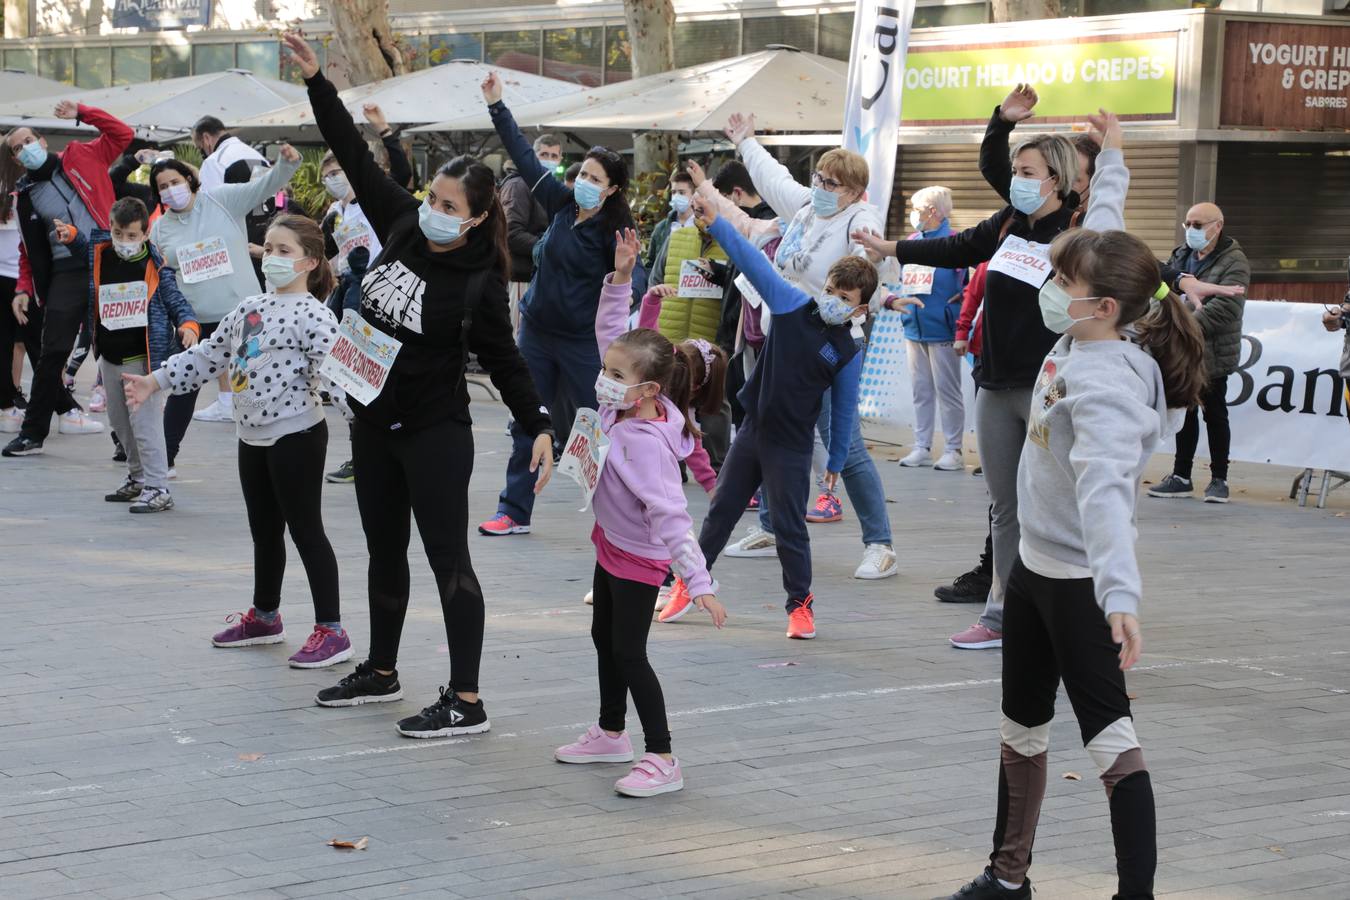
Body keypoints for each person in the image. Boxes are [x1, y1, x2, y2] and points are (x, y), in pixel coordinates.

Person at [283, 33, 554, 737]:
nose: (432, 206)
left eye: (447, 204)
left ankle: (466, 700)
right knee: (381, 548)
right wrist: (318, 80)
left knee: (447, 560)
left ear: (473, 219)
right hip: (372, 423)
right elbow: (346, 147)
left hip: (435, 434)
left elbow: (506, 360)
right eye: (431, 194)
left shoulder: (479, 284)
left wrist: (542, 425)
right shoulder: (401, 222)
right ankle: (381, 669)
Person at [944, 220, 1206, 900]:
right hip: (1032, 573)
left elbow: (1106, 496)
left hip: (1081, 591)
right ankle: (1008, 878)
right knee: (1021, 729)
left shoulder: (1109, 387)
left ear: (1106, 306)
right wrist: (1111, 157)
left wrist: (1119, 597)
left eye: (1065, 283)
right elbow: (1107, 239)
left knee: (1113, 747)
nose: (1052, 290)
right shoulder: (1080, 336)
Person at [853, 125, 1083, 650]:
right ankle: (1000, 616)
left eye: (1027, 174)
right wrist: (889, 246)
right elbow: (956, 248)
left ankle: (1068, 614)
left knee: (1054, 505)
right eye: (1017, 172)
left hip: (1050, 389)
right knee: (1005, 508)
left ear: (1056, 179)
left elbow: (1130, 269)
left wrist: (1175, 286)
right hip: (995, 383)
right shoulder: (1008, 223)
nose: (1018, 182)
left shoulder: (1078, 230)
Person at [124, 211, 352, 668]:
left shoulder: (315, 316)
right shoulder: (250, 308)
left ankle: (332, 630)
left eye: (284, 251)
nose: (272, 258)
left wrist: (372, 426)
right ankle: (265, 617)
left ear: (309, 262)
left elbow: (339, 378)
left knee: (307, 532)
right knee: (264, 531)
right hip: (251, 437)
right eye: (268, 248)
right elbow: (210, 355)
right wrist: (157, 380)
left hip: (297, 436)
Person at [555, 228, 726, 797]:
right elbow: (613, 332)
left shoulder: (648, 443)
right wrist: (624, 279)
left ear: (649, 388)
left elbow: (673, 517)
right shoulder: (620, 407)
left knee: (629, 651)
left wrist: (697, 582)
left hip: (640, 558)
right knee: (604, 638)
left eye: (617, 374)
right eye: (607, 368)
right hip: (610, 544)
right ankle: (610, 733)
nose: (604, 376)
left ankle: (662, 757)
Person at [664, 196, 874, 641]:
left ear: (860, 308)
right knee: (719, 513)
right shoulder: (792, 304)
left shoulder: (848, 350)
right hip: (752, 433)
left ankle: (800, 606)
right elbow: (751, 262)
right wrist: (718, 225)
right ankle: (690, 584)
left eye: (846, 298)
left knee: (789, 528)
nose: (834, 300)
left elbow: (845, 410)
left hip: (792, 446)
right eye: (832, 290)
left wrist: (835, 463)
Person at [722, 112, 899, 580]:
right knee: (775, 425)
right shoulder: (806, 208)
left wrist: (879, 281)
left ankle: (880, 543)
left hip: (834, 340)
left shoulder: (860, 219)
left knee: (845, 440)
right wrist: (747, 142)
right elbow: (772, 177)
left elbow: (865, 271)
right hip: (788, 334)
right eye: (820, 178)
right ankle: (773, 526)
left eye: (834, 184)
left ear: (855, 192)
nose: (823, 187)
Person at [478, 69, 643, 539]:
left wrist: (625, 270)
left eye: (595, 178)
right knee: (527, 416)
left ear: (611, 188)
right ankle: (514, 509)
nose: (585, 182)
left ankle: (623, 516)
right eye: (583, 174)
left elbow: (629, 284)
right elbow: (524, 157)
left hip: (582, 343)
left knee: (601, 425)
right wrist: (497, 105)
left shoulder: (615, 231)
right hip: (536, 331)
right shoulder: (562, 203)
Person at [149, 148, 301, 461]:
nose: (169, 190)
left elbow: (266, 185)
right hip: (193, 323)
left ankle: (276, 453)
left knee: (258, 385)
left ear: (190, 180)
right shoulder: (159, 229)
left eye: (174, 181)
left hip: (244, 317)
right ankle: (164, 459)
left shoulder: (223, 200)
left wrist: (287, 162)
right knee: (183, 388)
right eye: (162, 187)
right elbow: (157, 278)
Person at [1, 100, 130, 458]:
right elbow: (28, 250)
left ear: (42, 141)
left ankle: (126, 438)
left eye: (28, 141)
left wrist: (82, 112)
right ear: (14, 159)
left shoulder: (83, 156)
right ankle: (32, 434)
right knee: (52, 351)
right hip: (65, 273)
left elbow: (123, 134)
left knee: (118, 350)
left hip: (110, 262)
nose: (24, 149)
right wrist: (24, 288)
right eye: (16, 148)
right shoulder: (26, 195)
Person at [70, 199, 199, 512]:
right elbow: (83, 248)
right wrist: (72, 236)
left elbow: (176, 301)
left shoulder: (156, 267)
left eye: (131, 235)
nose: (123, 241)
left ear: (145, 233)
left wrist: (189, 325)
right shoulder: (101, 253)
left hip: (142, 361)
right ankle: (138, 478)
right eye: (118, 233)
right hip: (110, 358)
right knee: (120, 423)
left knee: (146, 426)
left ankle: (159, 487)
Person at [317, 106, 414, 485]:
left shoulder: (377, 201)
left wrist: (386, 132)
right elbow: (326, 250)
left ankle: (374, 448)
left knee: (362, 371)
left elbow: (404, 175)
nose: (332, 180)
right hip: (346, 291)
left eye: (337, 172)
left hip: (375, 293)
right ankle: (368, 444)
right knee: (341, 371)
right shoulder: (335, 211)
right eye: (326, 176)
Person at [1147, 202, 1249, 504]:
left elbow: (1227, 308)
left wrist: (1181, 327)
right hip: (1182, 352)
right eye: (1187, 224)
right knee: (1185, 412)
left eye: (1198, 225)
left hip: (1213, 353)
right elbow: (1163, 292)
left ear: (1217, 226)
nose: (1191, 230)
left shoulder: (1235, 261)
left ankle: (1219, 479)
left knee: (1215, 414)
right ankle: (1181, 476)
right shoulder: (1180, 255)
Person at [896, 186, 967, 471]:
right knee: (921, 390)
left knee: (948, 391)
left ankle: (954, 449)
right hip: (914, 327)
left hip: (943, 328)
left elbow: (978, 278)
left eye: (916, 209)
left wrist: (964, 294)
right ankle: (921, 446)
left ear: (933, 211)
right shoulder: (912, 240)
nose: (913, 215)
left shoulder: (956, 242)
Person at [500, 132, 561, 326]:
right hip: (521, 276)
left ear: (560, 159)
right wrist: (550, 246)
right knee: (519, 339)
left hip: (539, 276)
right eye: (544, 154)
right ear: (533, 157)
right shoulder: (519, 185)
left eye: (554, 156)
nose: (549, 160)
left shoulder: (549, 186)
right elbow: (511, 233)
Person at [0, 189, 34, 433]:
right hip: (14, 278)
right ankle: (8, 402)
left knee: (22, 344)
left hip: (22, 278)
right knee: (25, 344)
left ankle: (10, 398)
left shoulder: (25, 193)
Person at [192, 115, 269, 194]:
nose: (202, 153)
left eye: (200, 148)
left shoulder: (213, 162)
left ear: (206, 138)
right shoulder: (260, 158)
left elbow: (210, 203)